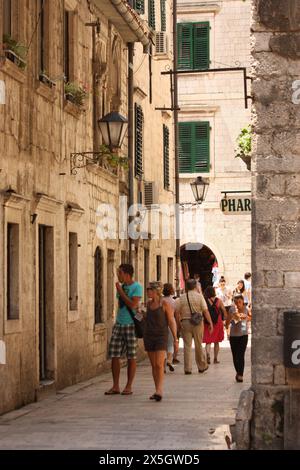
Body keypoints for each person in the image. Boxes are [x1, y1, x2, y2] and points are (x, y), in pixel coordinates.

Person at [105, 264, 142, 396]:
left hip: (130, 325)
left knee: (131, 356)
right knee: (114, 354)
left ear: (126, 274)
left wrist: (120, 291)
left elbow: (133, 304)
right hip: (119, 324)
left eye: (119, 273)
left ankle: (128, 386)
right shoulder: (123, 287)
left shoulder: (137, 287)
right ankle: (115, 386)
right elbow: (121, 304)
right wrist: (120, 290)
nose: (118, 275)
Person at [143, 282, 178, 402]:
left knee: (159, 364)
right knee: (154, 365)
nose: (147, 291)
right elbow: (141, 319)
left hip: (161, 337)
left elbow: (171, 321)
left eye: (149, 289)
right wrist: (138, 312)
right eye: (147, 289)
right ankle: (156, 389)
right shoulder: (147, 304)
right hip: (149, 336)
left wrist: (175, 338)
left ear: (156, 291)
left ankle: (160, 390)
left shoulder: (164, 304)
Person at [175, 279, 213, 374]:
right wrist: (210, 323)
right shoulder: (199, 297)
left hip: (185, 322)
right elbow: (205, 311)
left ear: (187, 287)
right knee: (198, 344)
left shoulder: (182, 297)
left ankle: (187, 369)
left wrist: (178, 324)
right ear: (195, 286)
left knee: (187, 346)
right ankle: (201, 366)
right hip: (197, 323)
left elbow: (177, 312)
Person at [226, 294, 251, 382]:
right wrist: (231, 317)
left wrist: (246, 318)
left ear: (243, 301)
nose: (238, 304)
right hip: (233, 336)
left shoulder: (246, 309)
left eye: (239, 302)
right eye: (236, 302)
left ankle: (240, 374)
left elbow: (251, 318)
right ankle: (238, 372)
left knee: (240, 355)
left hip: (243, 335)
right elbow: (227, 324)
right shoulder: (232, 309)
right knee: (235, 357)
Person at [203, 286, 227, 364]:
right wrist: (225, 320)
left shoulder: (205, 301)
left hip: (207, 322)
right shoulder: (218, 301)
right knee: (216, 341)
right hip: (217, 322)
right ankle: (215, 358)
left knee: (208, 341)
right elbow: (224, 310)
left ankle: (208, 355)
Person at [163, 283, 176, 372]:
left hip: (162, 324)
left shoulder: (161, 300)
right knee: (170, 344)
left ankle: (163, 366)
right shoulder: (173, 301)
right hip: (171, 323)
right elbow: (176, 314)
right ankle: (169, 360)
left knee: (163, 346)